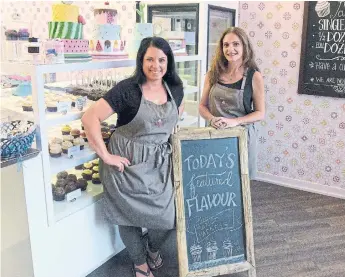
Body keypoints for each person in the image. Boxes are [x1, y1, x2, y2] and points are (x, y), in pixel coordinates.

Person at [81, 37, 184, 277]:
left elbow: (174, 119)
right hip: (124, 164)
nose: (155, 65)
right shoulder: (127, 89)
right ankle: (139, 262)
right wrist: (106, 156)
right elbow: (90, 118)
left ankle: (152, 248)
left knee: (170, 216)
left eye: (161, 59)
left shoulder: (175, 88)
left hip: (159, 163)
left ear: (168, 62)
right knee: (127, 218)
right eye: (149, 59)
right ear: (141, 60)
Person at [199, 27, 265, 180]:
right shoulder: (212, 74)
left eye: (236, 44)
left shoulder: (254, 77)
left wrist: (234, 122)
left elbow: (260, 113)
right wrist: (211, 119)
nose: (230, 49)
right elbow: (202, 106)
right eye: (226, 45)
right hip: (215, 134)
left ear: (244, 47)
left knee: (237, 181)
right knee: (214, 178)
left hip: (241, 136)